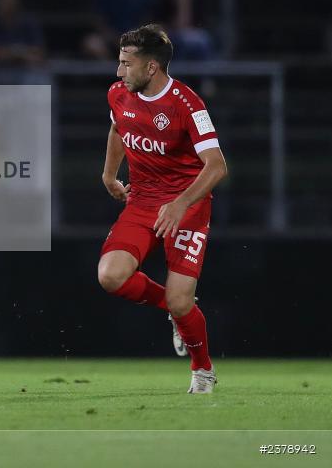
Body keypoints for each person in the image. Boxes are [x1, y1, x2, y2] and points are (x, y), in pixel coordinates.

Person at [98, 24, 227, 394]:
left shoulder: (188, 104)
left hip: (188, 204)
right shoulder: (118, 94)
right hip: (142, 201)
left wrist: (181, 202)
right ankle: (171, 310)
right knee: (110, 276)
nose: (119, 71)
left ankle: (202, 370)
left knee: (181, 298)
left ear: (151, 67)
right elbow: (119, 129)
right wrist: (109, 174)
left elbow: (217, 165)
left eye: (126, 63)